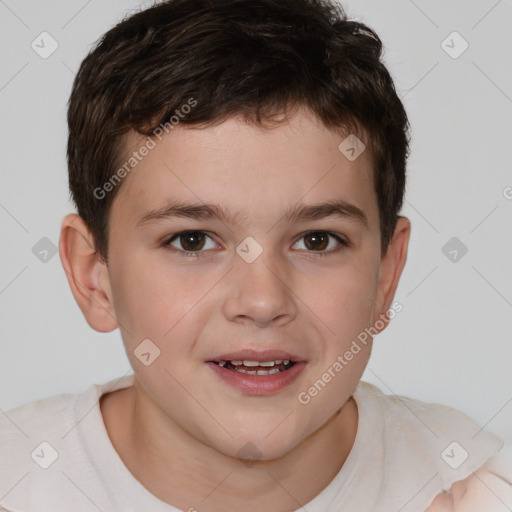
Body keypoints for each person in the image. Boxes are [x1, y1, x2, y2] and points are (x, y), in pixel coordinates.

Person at [0, 0, 510, 510]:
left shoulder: (476, 482)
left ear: (385, 275)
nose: (263, 301)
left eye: (317, 240)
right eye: (192, 240)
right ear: (94, 277)